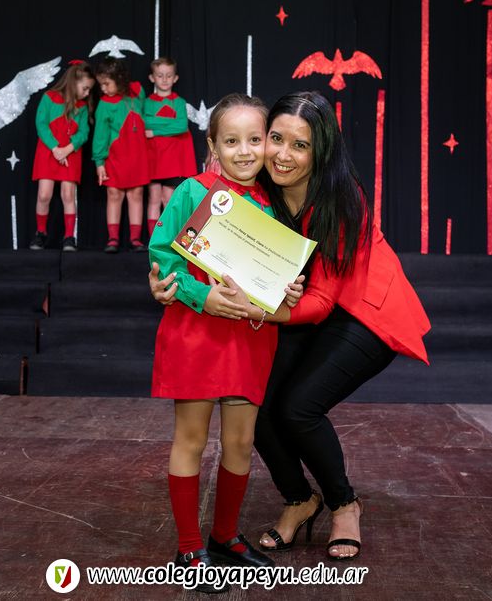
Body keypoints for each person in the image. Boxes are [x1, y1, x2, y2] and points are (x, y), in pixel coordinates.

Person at [150, 91, 431, 562]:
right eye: (275, 139)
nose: (280, 153)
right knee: (258, 408)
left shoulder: (341, 198)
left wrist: (257, 309)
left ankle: (344, 504)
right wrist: (169, 285)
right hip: (274, 312)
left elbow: (319, 301)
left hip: (361, 311)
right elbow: (176, 247)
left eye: (299, 145)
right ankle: (299, 500)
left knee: (297, 408)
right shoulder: (248, 185)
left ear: (321, 151)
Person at [149, 94, 284, 593]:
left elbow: (282, 269)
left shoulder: (275, 201)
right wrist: (201, 295)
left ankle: (225, 536)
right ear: (212, 145)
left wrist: (287, 287)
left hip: (249, 336)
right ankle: (189, 548)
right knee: (191, 438)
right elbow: (163, 255)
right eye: (231, 141)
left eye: (255, 140)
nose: (244, 151)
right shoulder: (194, 191)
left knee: (241, 442)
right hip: (197, 331)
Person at [29, 61, 95, 251]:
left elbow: (83, 132)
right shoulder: (49, 98)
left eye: (89, 90)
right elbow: (41, 124)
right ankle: (40, 233)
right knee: (44, 194)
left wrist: (67, 149)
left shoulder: (82, 107)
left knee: (68, 194)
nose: (87, 93)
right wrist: (55, 148)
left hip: (70, 153)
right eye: (85, 88)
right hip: (48, 152)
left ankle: (69, 237)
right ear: (74, 82)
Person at [92, 57, 150, 253]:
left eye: (107, 83)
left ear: (119, 78)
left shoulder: (137, 91)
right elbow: (100, 136)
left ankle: (135, 239)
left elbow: (146, 117)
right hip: (115, 156)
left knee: (136, 194)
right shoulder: (104, 103)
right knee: (114, 194)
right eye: (101, 85)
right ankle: (113, 238)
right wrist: (99, 162)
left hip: (137, 154)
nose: (103, 89)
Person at [144, 58, 198, 239]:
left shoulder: (179, 102)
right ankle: (153, 239)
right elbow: (145, 122)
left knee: (168, 199)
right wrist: (169, 124)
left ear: (175, 78)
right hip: (153, 157)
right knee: (153, 198)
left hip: (173, 159)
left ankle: (168, 239)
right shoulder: (148, 102)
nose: (164, 79)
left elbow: (181, 126)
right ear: (152, 78)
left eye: (169, 75)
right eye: (160, 75)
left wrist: (155, 130)